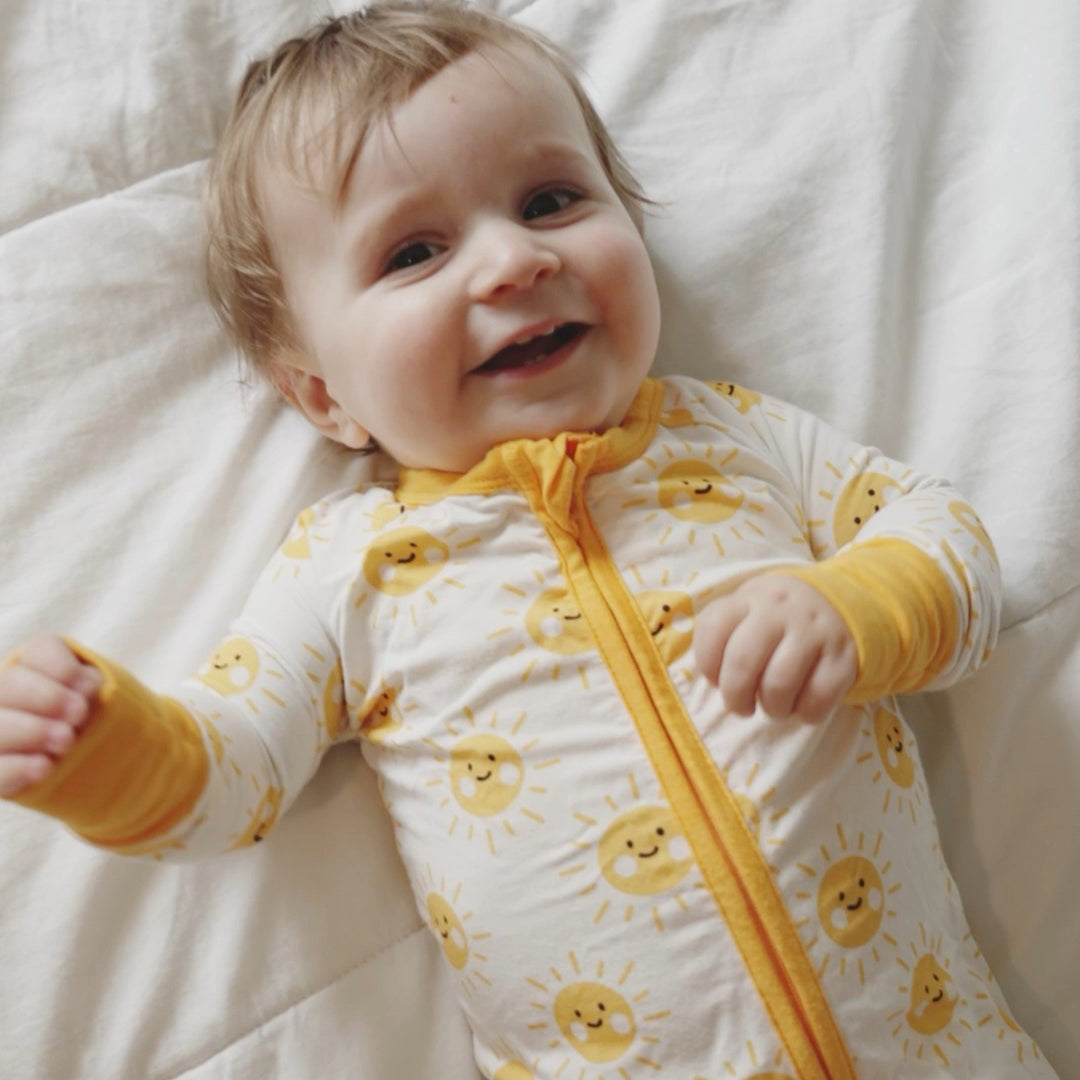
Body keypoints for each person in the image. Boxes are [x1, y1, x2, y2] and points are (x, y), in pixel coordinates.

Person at [0, 3, 1055, 1077]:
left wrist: (857, 605)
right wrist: (106, 751)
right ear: (323, 397)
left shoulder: (734, 437)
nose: (513, 261)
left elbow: (948, 541)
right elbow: (232, 767)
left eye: (551, 200)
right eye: (414, 252)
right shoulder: (350, 568)